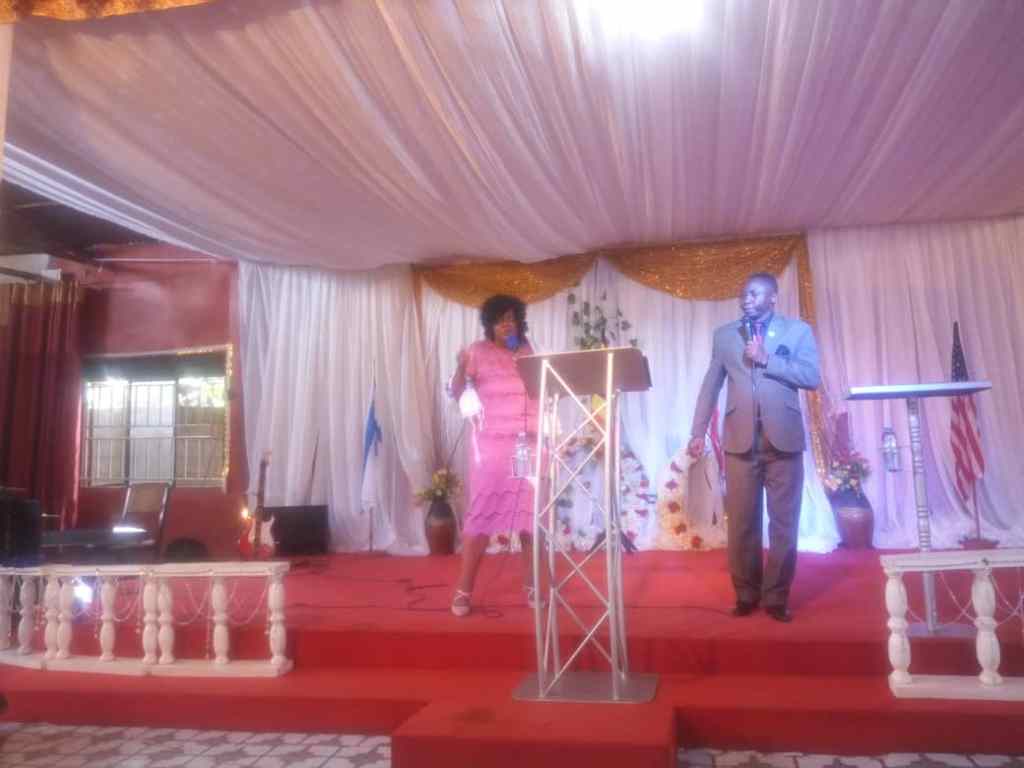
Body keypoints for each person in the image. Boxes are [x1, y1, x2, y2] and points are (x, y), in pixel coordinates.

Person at [687, 273, 820, 622]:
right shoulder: (724, 336)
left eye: (754, 293)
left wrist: (766, 359)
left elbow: (811, 377)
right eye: (743, 294)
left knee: (783, 524)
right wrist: (697, 431)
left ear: (773, 297)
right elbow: (710, 386)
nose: (746, 298)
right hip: (740, 442)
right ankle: (746, 594)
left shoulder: (797, 331)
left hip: (783, 441)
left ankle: (776, 597)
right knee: (742, 524)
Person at [447, 294, 541, 617]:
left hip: (526, 443)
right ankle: (463, 589)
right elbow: (456, 392)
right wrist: (461, 367)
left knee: (529, 517)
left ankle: (532, 585)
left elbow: (540, 390)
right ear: (489, 324)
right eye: (500, 320)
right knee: (482, 515)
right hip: (490, 446)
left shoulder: (527, 350)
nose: (507, 325)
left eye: (512, 318)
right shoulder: (476, 351)